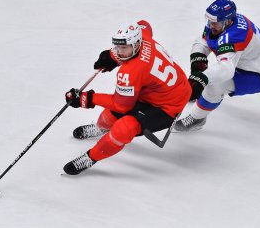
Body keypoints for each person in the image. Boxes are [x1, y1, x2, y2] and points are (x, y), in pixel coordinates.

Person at [63, 20, 191, 175]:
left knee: (124, 128)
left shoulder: (131, 71)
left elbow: (121, 106)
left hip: (168, 106)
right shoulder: (143, 36)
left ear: (136, 44)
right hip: (163, 90)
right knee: (109, 116)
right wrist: (112, 55)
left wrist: (87, 98)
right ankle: (101, 128)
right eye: (117, 47)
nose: (119, 52)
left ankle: (90, 157)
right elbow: (144, 24)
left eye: (123, 48)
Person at [174, 0, 260, 131]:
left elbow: (226, 69)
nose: (210, 25)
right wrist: (198, 57)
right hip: (250, 62)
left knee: (215, 86)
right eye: (209, 20)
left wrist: (202, 79)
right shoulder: (220, 23)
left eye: (215, 23)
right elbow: (203, 41)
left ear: (228, 21)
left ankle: (197, 119)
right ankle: (200, 93)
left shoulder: (233, 36)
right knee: (207, 77)